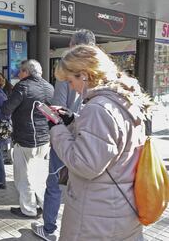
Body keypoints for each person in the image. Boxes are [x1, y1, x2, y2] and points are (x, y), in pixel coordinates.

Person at [47, 45, 151, 240]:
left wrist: (57, 129)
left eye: (70, 80)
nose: (70, 87)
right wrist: (74, 121)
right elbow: (108, 142)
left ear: (85, 75)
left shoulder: (98, 108)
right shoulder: (122, 101)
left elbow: (85, 165)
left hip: (96, 216)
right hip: (120, 207)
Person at [32, 29, 96, 240]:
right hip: (93, 141)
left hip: (69, 136)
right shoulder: (101, 72)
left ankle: (49, 229)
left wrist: (56, 124)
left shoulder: (70, 69)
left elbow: (59, 109)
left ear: (72, 45)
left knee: (54, 182)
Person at [1, 59, 54, 218]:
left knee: (23, 178)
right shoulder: (49, 87)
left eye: (20, 71)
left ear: (26, 72)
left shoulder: (22, 86)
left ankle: (28, 210)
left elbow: (7, 109)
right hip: (44, 140)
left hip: (25, 140)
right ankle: (43, 206)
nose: (18, 74)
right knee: (38, 175)